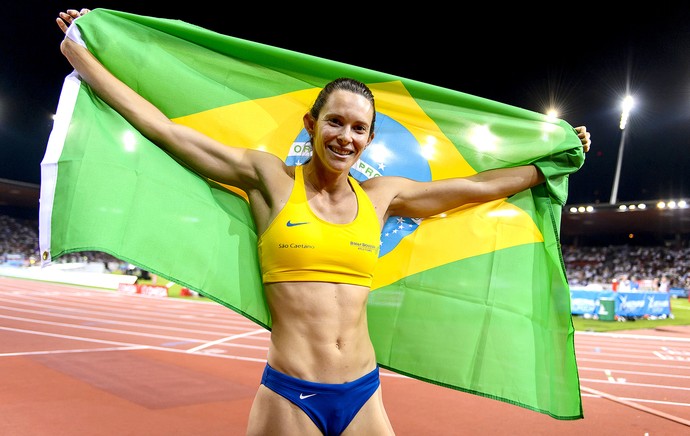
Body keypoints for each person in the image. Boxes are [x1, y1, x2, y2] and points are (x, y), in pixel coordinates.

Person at [57, 9, 591, 436]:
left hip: (363, 391)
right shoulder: (269, 180)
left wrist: (548, 164)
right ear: (311, 124)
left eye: (359, 128)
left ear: (369, 140)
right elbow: (166, 130)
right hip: (292, 394)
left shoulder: (384, 195)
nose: (345, 136)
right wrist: (86, 60)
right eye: (335, 121)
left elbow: (474, 188)